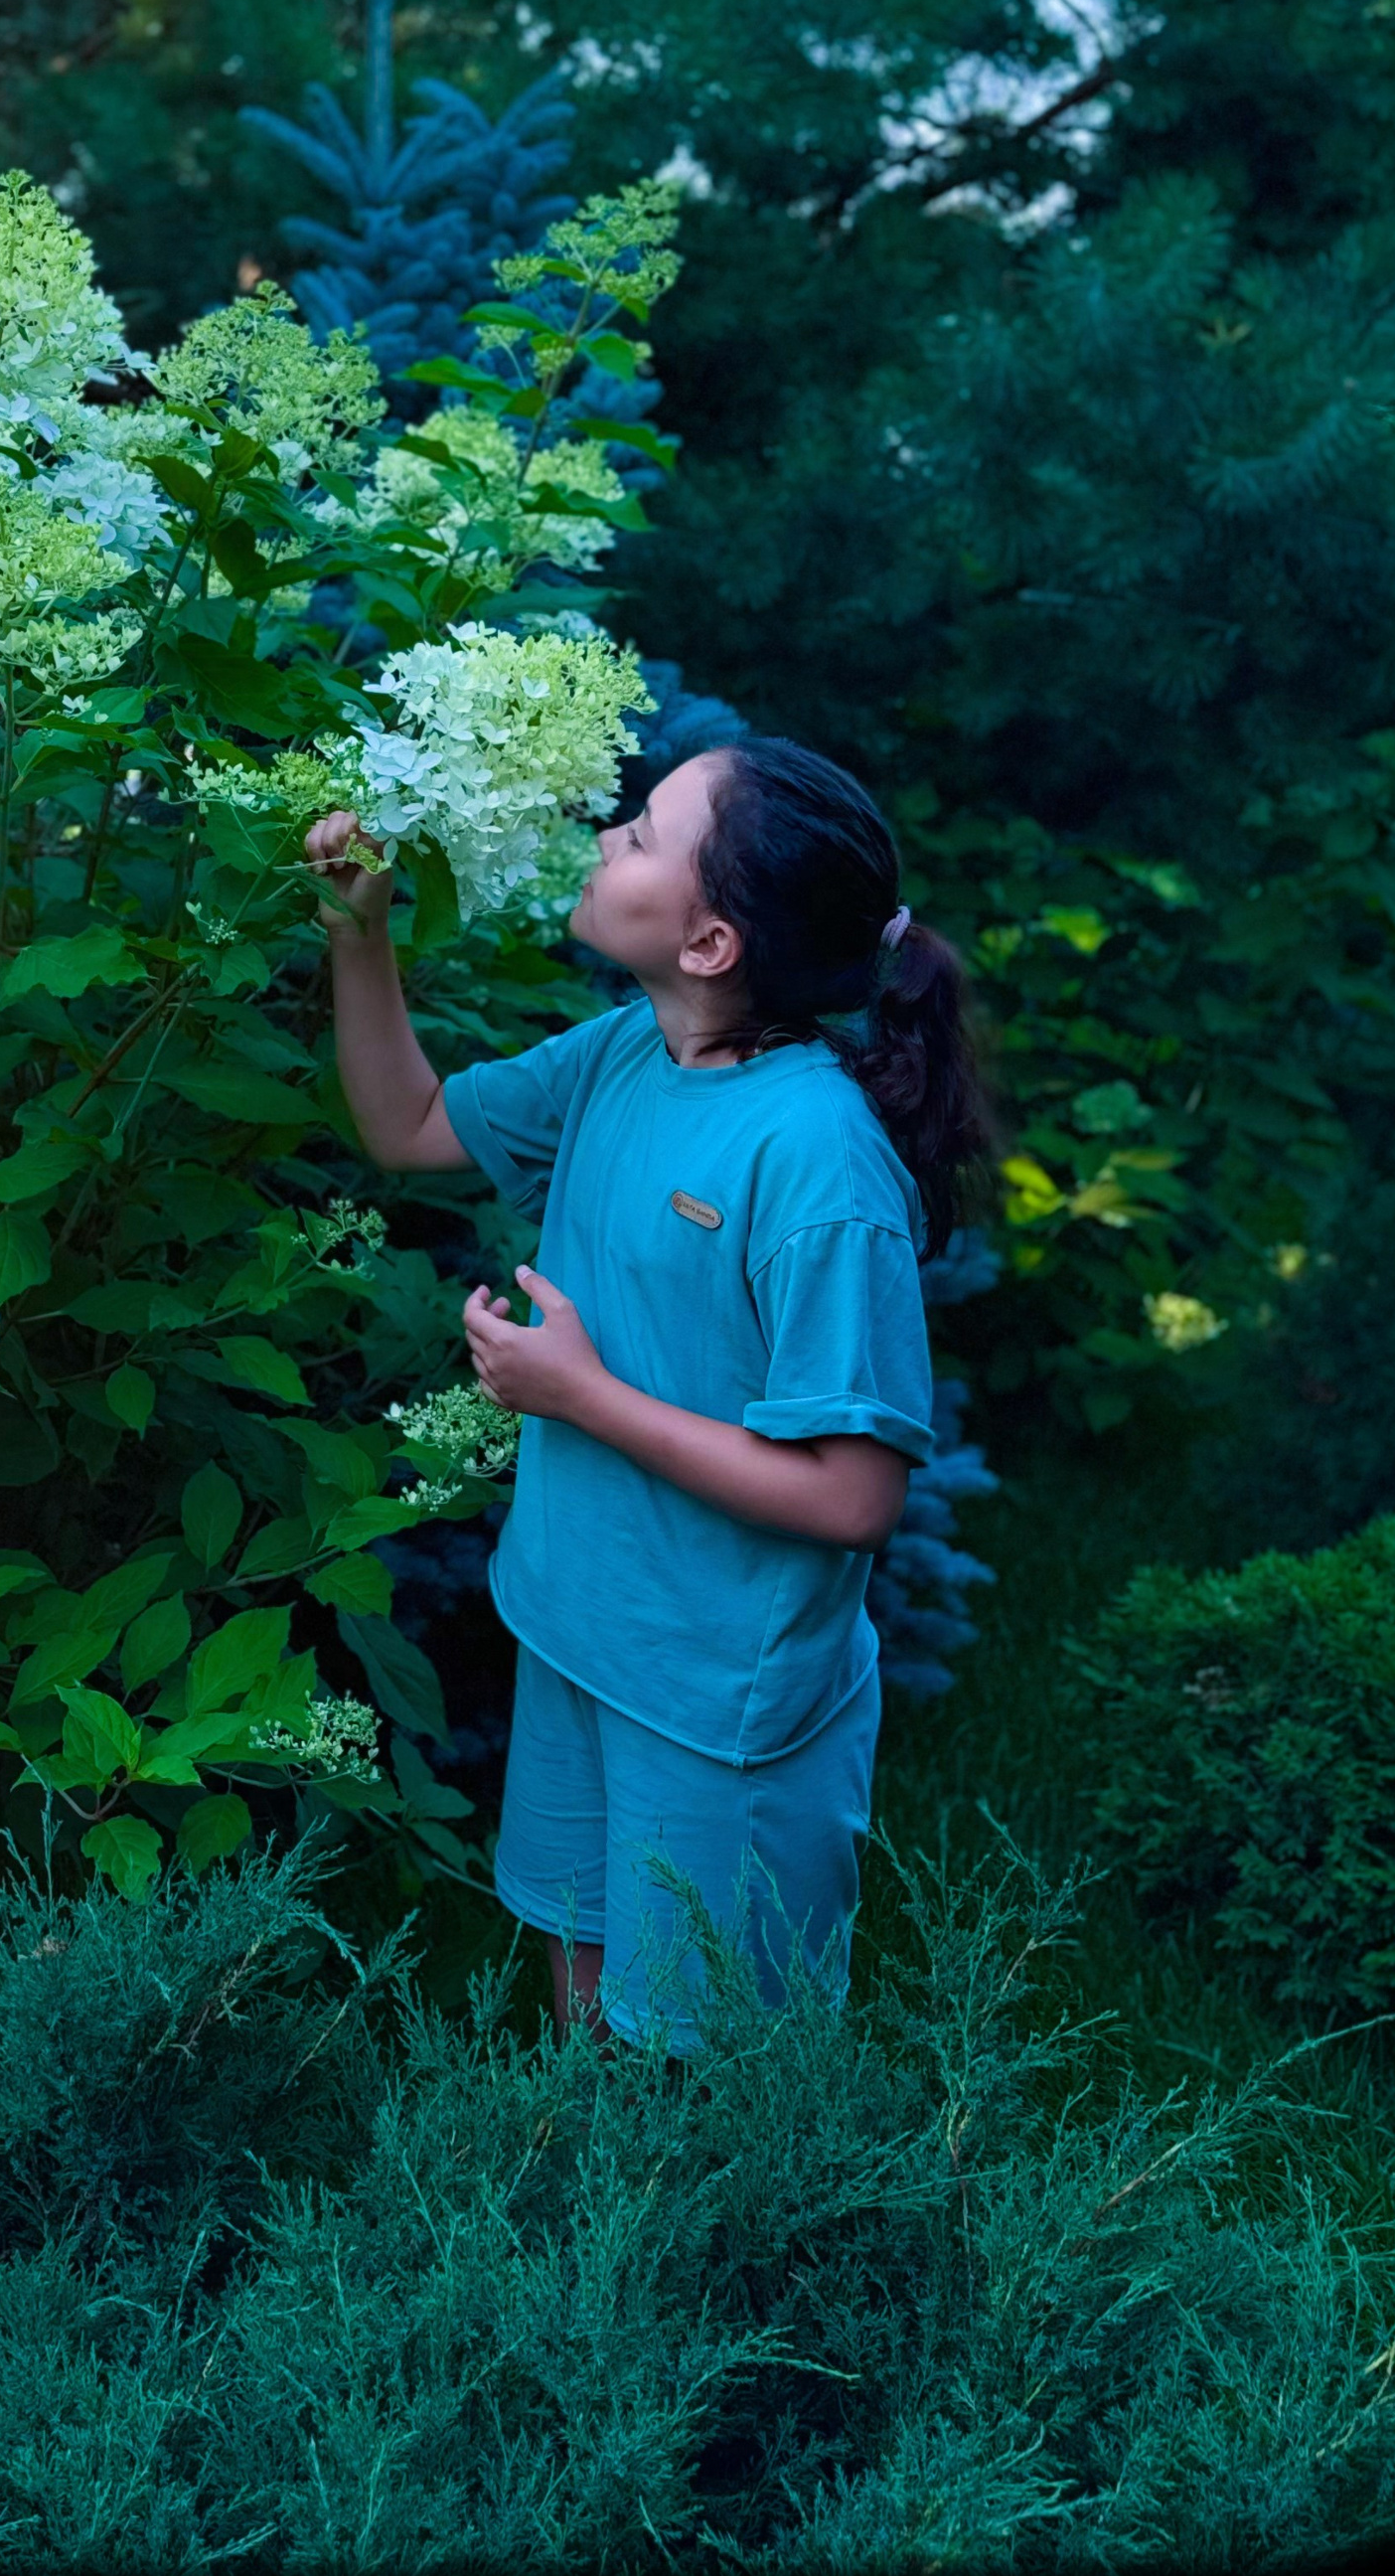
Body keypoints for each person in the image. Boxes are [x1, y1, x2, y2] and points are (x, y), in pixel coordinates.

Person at [305, 737, 991, 2052]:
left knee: (715, 2065)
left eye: (642, 835)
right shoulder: (629, 1052)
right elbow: (410, 1126)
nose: (606, 836)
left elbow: (855, 1497)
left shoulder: (818, 1159)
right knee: (587, 2012)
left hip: (723, 1696)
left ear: (711, 942)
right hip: (581, 1630)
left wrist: (581, 1394)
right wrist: (359, 931)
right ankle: (587, 2190)